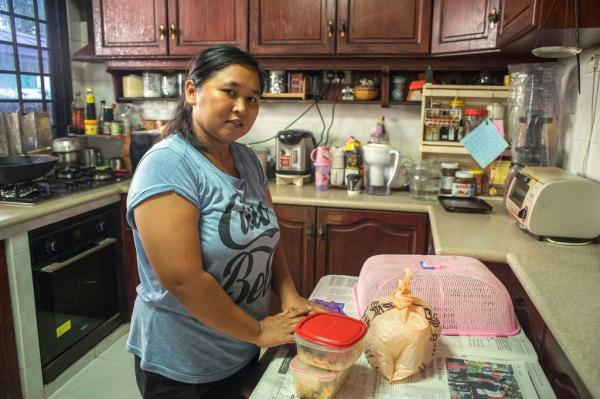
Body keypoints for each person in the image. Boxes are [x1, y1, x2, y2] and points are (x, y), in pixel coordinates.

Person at [126, 45, 320, 399]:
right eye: (230, 92)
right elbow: (182, 279)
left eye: (253, 99)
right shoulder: (168, 165)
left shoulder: (245, 159)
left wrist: (289, 292)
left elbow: (267, 235)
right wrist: (260, 331)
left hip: (239, 347)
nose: (241, 108)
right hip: (184, 365)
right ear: (191, 91)